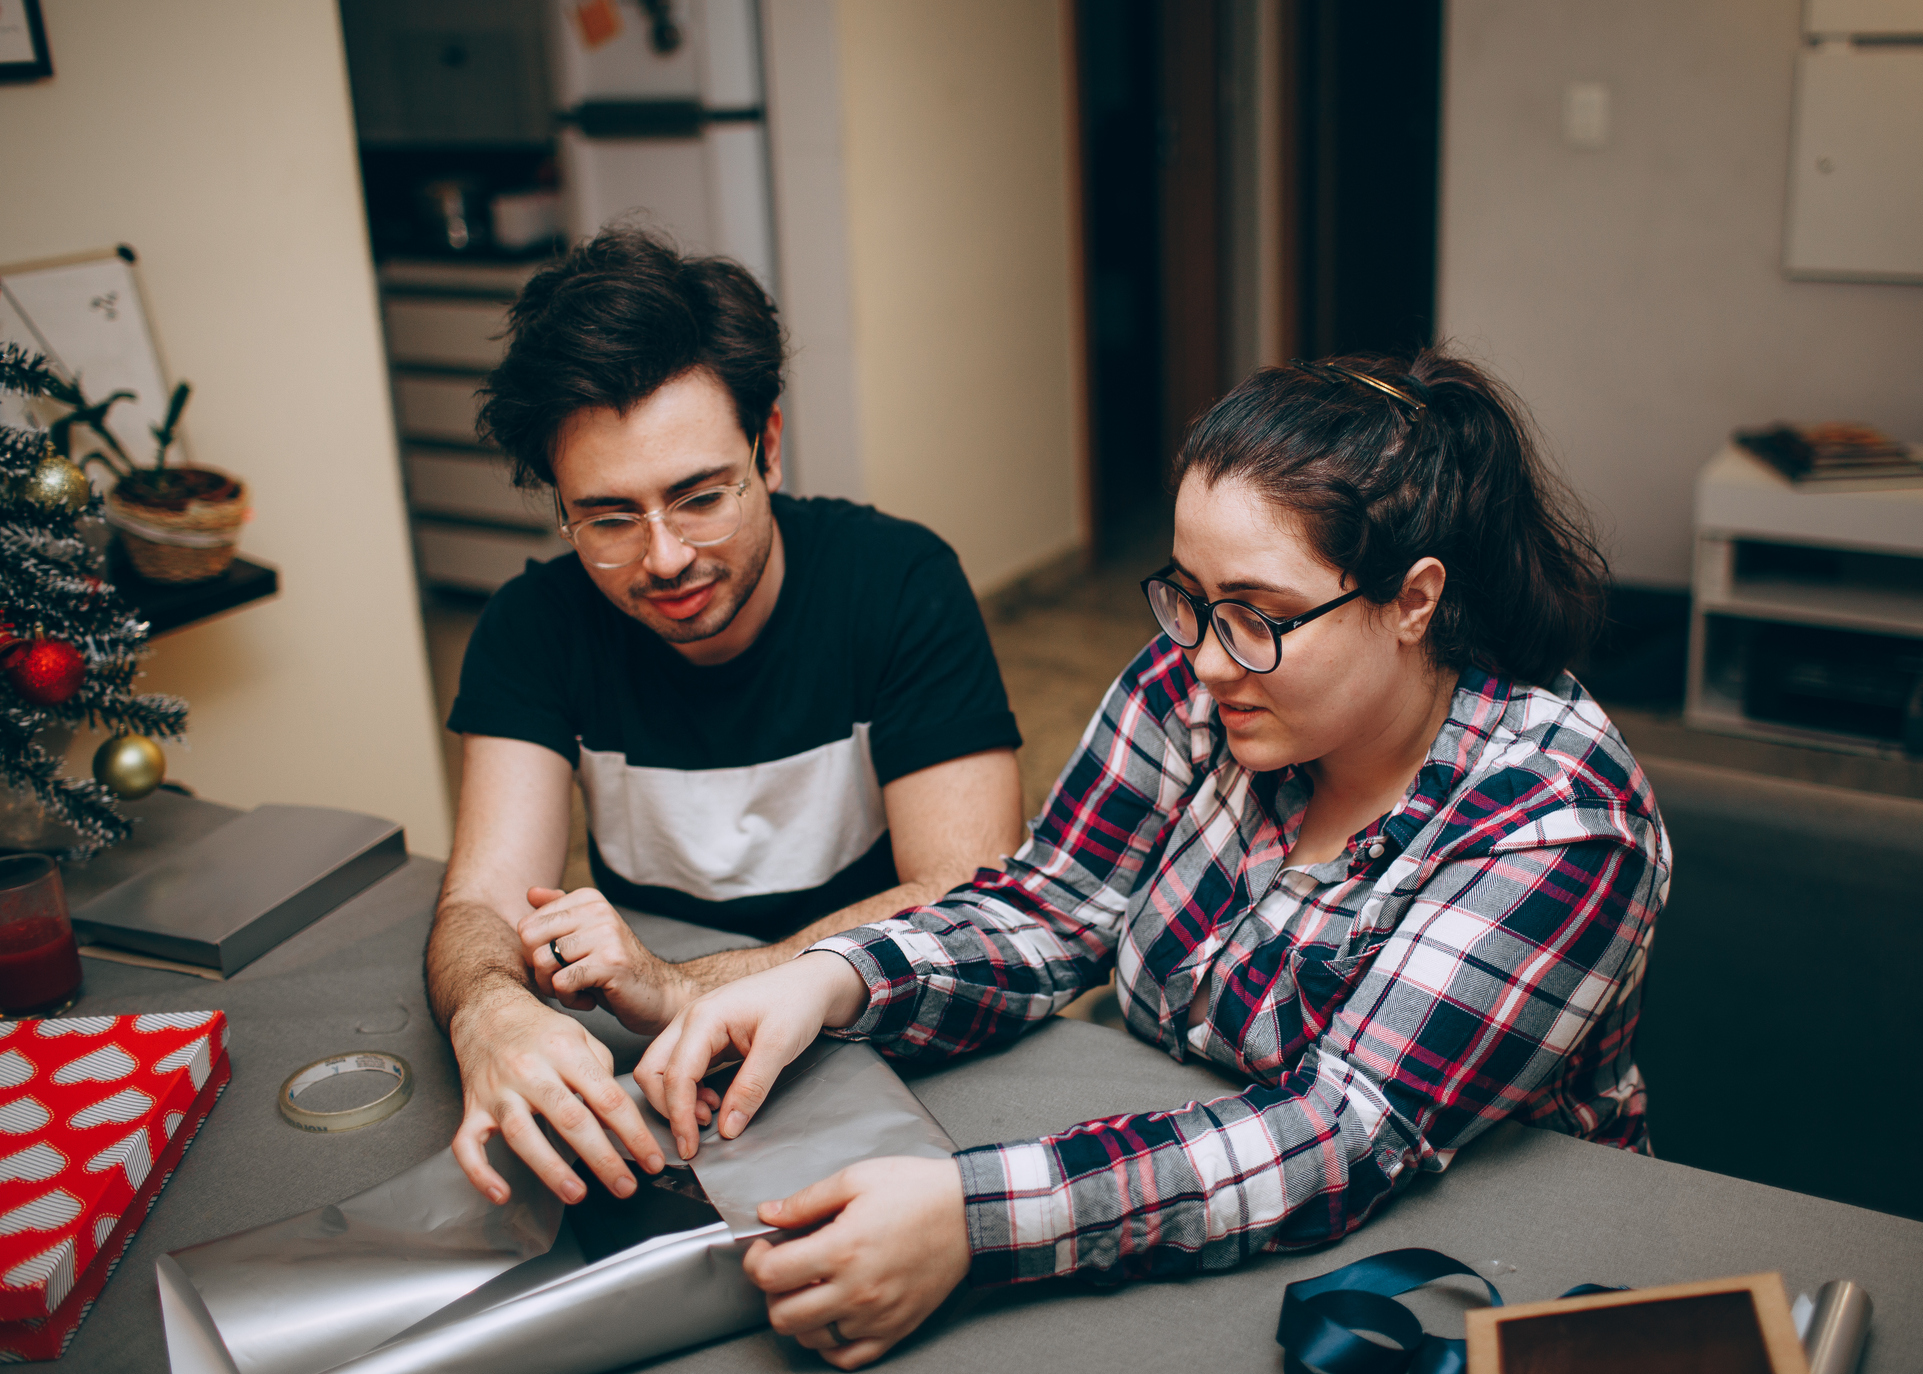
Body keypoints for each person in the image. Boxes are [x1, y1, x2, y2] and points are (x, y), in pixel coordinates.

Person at [633, 350, 1672, 1368]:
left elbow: (1342, 1132)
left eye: (1260, 617)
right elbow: (1052, 906)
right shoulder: (1209, 674)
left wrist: (974, 1218)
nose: (1208, 660)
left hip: (1470, 1269)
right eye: (1189, 598)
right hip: (1190, 1193)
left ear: (1414, 600)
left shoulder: (1562, 819)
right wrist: (828, 977)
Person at [425, 228, 1026, 1209]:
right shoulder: (531, 628)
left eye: (701, 496)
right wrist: (489, 1012)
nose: (663, 558)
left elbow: (974, 889)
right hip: (666, 1073)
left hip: (887, 1024)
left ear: (770, 447)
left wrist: (690, 984)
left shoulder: (900, 581)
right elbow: (480, 901)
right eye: (609, 518)